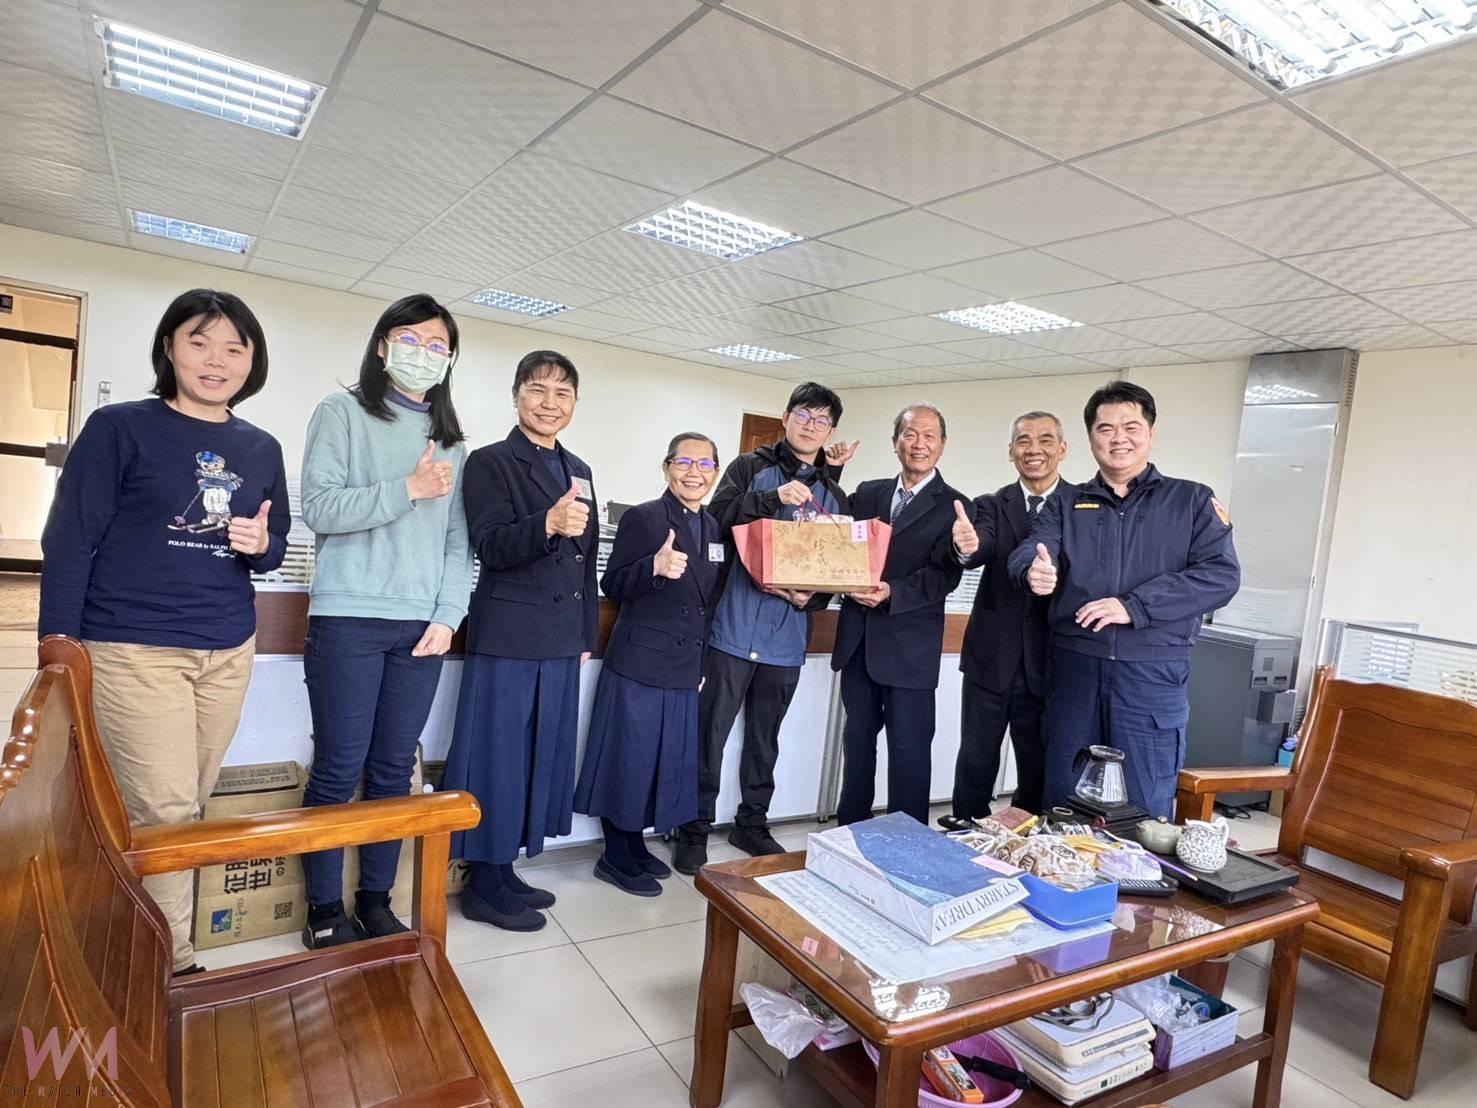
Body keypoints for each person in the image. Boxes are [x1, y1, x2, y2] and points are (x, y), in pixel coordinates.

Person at [39, 288, 290, 975]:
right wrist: (57, 646)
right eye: (198, 342)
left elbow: (271, 544)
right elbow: (70, 538)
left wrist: (260, 544)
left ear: (252, 362)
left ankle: (115, 925)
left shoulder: (260, 446)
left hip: (228, 645)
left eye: (234, 348)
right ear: (169, 349)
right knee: (168, 808)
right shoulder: (120, 427)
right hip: (133, 645)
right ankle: (169, 964)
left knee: (184, 803)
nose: (216, 360)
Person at [296, 294, 473, 948]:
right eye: (411, 340)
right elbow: (320, 508)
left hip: (421, 629)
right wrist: (407, 490)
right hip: (348, 618)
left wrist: (448, 616)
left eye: (437, 346)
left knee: (394, 771)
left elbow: (457, 543)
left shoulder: (450, 441)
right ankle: (323, 910)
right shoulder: (340, 413)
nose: (423, 354)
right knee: (338, 769)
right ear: (381, 346)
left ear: (449, 360)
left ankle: (375, 901)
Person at [1007, 381, 1240, 819]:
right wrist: (1031, 570)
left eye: (1131, 427)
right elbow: (1033, 548)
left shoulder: (1190, 501)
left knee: (1145, 804)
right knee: (1063, 800)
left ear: (1150, 433)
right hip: (1075, 672)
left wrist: (1135, 606)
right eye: (1106, 428)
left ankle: (1134, 867)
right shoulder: (1065, 502)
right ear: (1090, 438)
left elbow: (1221, 576)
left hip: (1151, 675)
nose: (1119, 438)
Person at [443, 350, 597, 931]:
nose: (549, 403)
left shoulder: (578, 467)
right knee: (496, 759)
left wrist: (585, 632)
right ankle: (482, 883)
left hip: (559, 639)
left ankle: (505, 867)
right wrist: (547, 524)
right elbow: (490, 545)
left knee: (538, 757)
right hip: (508, 636)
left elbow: (585, 560)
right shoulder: (490, 462)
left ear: (574, 404)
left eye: (562, 393)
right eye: (537, 390)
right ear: (516, 396)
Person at [672, 382, 849, 874]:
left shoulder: (834, 493)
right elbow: (715, 520)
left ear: (830, 430)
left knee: (765, 738)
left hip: (786, 636)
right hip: (731, 626)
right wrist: (770, 498)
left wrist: (812, 598)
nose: (811, 425)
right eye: (804, 415)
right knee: (709, 733)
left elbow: (836, 566)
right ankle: (693, 827)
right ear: (786, 418)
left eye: (822, 420)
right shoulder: (750, 468)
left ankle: (752, 822)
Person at [574, 433, 722, 896]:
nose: (694, 472)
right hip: (640, 661)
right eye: (684, 462)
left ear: (716, 473)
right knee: (629, 757)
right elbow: (612, 582)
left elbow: (707, 603)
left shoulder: (713, 526)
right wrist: (653, 568)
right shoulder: (645, 517)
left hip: (684, 664)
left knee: (662, 761)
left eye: (704, 464)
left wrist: (701, 661)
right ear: (666, 468)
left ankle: (635, 844)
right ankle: (615, 855)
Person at [832, 404, 968, 826]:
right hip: (859, 644)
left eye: (929, 436)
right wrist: (831, 471)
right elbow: (832, 537)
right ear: (895, 442)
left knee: (909, 754)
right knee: (857, 748)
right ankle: (849, 832)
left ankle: (906, 842)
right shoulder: (867, 493)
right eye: (910, 434)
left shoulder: (955, 506)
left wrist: (893, 592)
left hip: (910, 652)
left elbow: (945, 575)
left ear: (943, 444)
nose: (919, 444)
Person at [953, 411, 1076, 819]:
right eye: (1023, 440)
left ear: (1063, 449)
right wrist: (968, 546)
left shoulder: (1081, 506)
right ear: (1010, 451)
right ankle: (965, 835)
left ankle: (1025, 841)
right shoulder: (991, 504)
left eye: (1045, 440)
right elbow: (982, 545)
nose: (1033, 449)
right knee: (975, 762)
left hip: (1050, 662)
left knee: (1037, 768)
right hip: (990, 659)